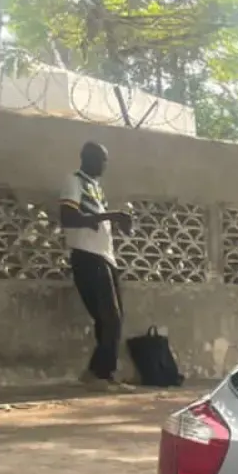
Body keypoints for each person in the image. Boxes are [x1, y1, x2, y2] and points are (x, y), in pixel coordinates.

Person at [59, 141, 134, 390]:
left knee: (113, 318)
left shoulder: (96, 187)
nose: (105, 165)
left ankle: (98, 373)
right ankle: (102, 374)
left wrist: (117, 221)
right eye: (101, 159)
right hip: (87, 256)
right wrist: (111, 216)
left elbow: (94, 219)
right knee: (110, 318)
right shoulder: (74, 181)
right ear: (87, 158)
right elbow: (68, 218)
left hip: (105, 256)